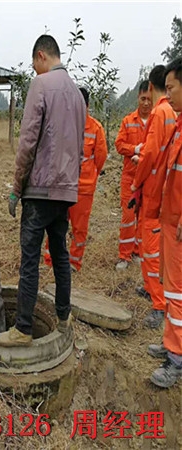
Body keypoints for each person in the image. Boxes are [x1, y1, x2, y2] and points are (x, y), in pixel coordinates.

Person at [0, 35, 86, 347]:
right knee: (60, 254)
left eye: (35, 64)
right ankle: (63, 316)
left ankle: (22, 328)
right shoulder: (77, 94)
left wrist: (16, 188)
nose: (35, 70)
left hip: (39, 190)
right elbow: (80, 148)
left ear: (41, 56)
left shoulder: (41, 85)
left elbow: (28, 142)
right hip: (65, 192)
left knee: (30, 259)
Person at [131, 65, 177, 329]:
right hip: (162, 189)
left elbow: (149, 155)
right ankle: (153, 290)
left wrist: (137, 182)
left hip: (153, 190)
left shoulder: (160, 113)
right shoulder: (171, 112)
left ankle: (159, 303)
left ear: (149, 86)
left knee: (150, 249)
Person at [44, 87, 107, 272]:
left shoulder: (96, 128)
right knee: (56, 224)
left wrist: (90, 175)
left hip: (84, 189)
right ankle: (50, 260)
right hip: (63, 186)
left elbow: (101, 157)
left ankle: (74, 262)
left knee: (79, 229)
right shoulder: (63, 126)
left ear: (86, 105)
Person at [148, 57, 182, 388]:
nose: (167, 95)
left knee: (179, 295)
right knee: (173, 290)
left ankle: (176, 359)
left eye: (171, 88)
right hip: (171, 223)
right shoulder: (180, 124)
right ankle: (171, 345)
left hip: (180, 225)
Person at [115, 81, 152, 272]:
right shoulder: (128, 120)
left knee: (144, 217)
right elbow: (119, 144)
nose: (146, 103)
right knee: (128, 217)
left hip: (149, 179)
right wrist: (134, 149)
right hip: (130, 178)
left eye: (149, 99)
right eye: (143, 99)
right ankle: (124, 256)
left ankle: (137, 252)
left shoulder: (156, 122)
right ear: (138, 98)